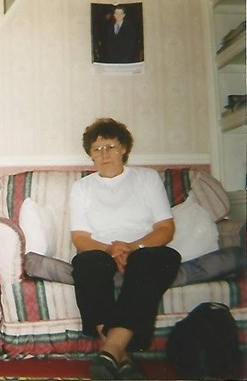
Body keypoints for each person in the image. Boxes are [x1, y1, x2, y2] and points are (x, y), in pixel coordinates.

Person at [69, 118, 181, 379]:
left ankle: (110, 351)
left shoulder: (147, 178)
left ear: (124, 149)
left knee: (157, 258)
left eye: (110, 146)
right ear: (90, 155)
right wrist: (111, 250)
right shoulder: (81, 188)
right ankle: (120, 355)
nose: (104, 154)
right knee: (86, 264)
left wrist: (131, 247)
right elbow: (80, 237)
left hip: (143, 248)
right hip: (101, 250)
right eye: (97, 149)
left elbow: (165, 228)